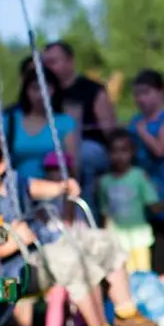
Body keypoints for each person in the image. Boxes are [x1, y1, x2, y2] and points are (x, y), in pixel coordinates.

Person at [0, 124, 159, 326]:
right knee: (73, 260)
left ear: (0, 166)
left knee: (106, 242)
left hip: (43, 246)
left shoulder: (11, 182)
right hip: (16, 269)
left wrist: (61, 187)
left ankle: (126, 314)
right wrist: (12, 242)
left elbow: (33, 187)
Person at [42, 41, 117, 215]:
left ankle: (86, 213)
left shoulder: (92, 90)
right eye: (46, 63)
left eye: (54, 61)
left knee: (84, 155)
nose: (49, 67)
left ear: (70, 61)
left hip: (88, 150)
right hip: (54, 152)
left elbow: (110, 131)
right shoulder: (45, 94)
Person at [128, 70, 164, 292]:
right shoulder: (135, 121)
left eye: (145, 92)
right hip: (140, 201)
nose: (140, 99)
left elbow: (161, 149)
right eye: (136, 94)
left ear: (160, 92)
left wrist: (142, 132)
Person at [99, 129, 164, 274]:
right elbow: (105, 213)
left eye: (124, 150)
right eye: (114, 151)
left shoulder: (139, 176)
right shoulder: (104, 182)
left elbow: (153, 205)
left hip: (139, 239)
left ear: (132, 152)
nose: (119, 156)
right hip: (116, 241)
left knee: (142, 277)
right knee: (120, 277)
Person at [4, 65, 79, 190]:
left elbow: (72, 165)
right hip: (18, 191)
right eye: (35, 88)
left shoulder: (65, 122)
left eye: (46, 88)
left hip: (54, 191)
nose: (40, 94)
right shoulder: (10, 120)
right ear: (26, 91)